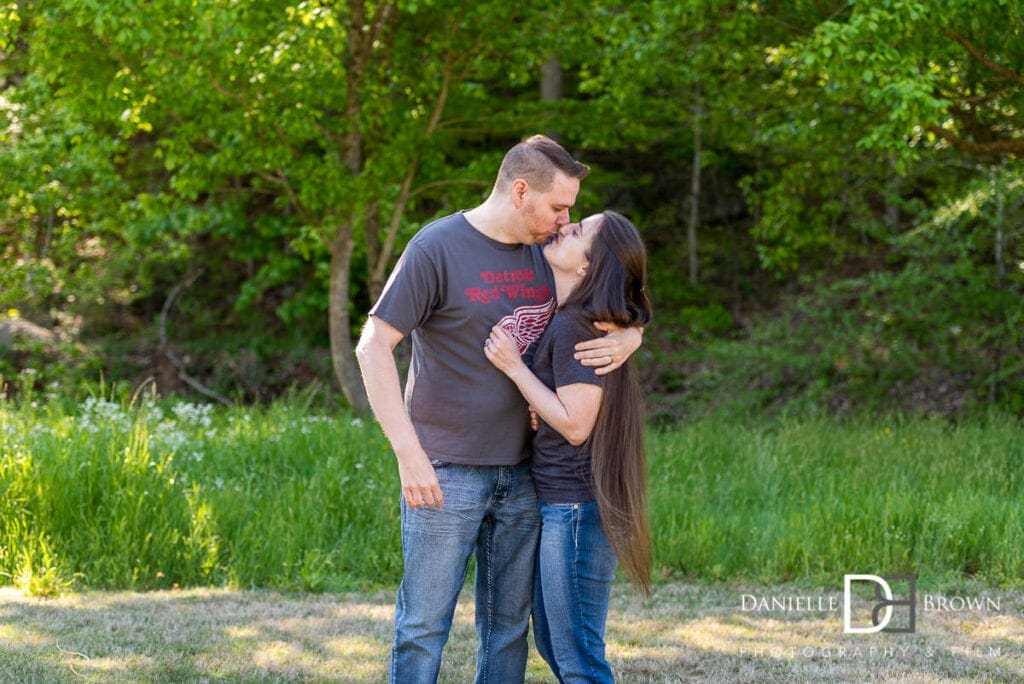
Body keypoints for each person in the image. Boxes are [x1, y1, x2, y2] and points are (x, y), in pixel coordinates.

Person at [355, 135, 644, 684]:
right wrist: (407, 454)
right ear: (519, 191)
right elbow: (373, 344)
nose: (566, 220)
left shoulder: (550, 252)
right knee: (422, 626)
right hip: (446, 471)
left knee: (507, 628)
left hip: (526, 475)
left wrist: (632, 335)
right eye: (559, 206)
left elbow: (608, 288)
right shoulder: (437, 247)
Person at [484, 210, 653, 683]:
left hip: (576, 509)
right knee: (558, 647)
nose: (565, 227)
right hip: (565, 506)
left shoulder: (577, 326)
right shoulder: (574, 320)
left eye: (578, 232)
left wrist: (516, 369)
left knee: (579, 660)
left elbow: (576, 425)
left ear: (587, 268)